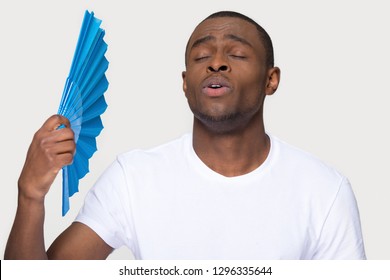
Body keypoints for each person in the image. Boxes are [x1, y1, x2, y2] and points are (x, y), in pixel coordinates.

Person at [4, 11, 366, 260]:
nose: (216, 62)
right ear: (185, 83)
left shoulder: (324, 190)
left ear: (271, 80)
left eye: (237, 53)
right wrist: (30, 195)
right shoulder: (134, 178)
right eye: (201, 55)